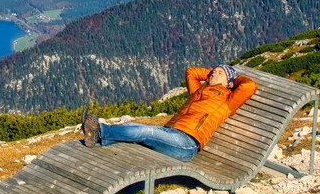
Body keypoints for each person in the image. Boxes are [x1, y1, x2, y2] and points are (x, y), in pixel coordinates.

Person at [81, 64, 257, 162]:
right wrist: (214, 74)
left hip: (186, 143)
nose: (213, 74)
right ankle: (99, 139)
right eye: (213, 71)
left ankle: (100, 131)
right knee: (133, 127)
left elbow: (250, 86)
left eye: (220, 73)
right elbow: (191, 72)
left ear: (229, 82)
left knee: (146, 131)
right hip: (171, 133)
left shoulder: (228, 99)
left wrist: (233, 80)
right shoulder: (199, 92)